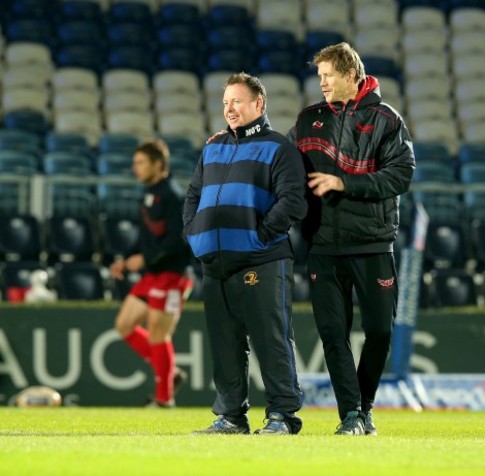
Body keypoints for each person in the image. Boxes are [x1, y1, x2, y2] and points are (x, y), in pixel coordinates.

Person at [288, 42, 416, 436]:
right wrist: (237, 141)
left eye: (328, 75)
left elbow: (401, 175)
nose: (322, 83)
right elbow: (282, 162)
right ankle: (350, 416)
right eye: (320, 76)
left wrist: (344, 183)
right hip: (323, 244)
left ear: (350, 74)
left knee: (379, 331)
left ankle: (364, 406)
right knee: (332, 334)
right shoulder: (309, 119)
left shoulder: (386, 119)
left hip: (373, 242)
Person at [184, 72, 307, 435]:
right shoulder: (213, 147)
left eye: (237, 101)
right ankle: (231, 416)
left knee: (271, 339)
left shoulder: (279, 148)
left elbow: (293, 201)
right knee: (224, 344)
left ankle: (283, 416)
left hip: (262, 259)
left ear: (259, 103)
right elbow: (192, 197)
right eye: (225, 103)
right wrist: (195, 236)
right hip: (215, 262)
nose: (230, 109)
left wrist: (259, 237)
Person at [111, 139, 193, 408]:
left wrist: (144, 259)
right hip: (153, 273)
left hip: (172, 274)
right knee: (124, 325)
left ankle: (163, 399)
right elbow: (148, 236)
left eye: (141, 163)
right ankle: (170, 373)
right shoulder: (149, 194)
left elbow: (179, 241)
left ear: (158, 165)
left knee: (158, 334)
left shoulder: (172, 196)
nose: (135, 168)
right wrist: (126, 260)